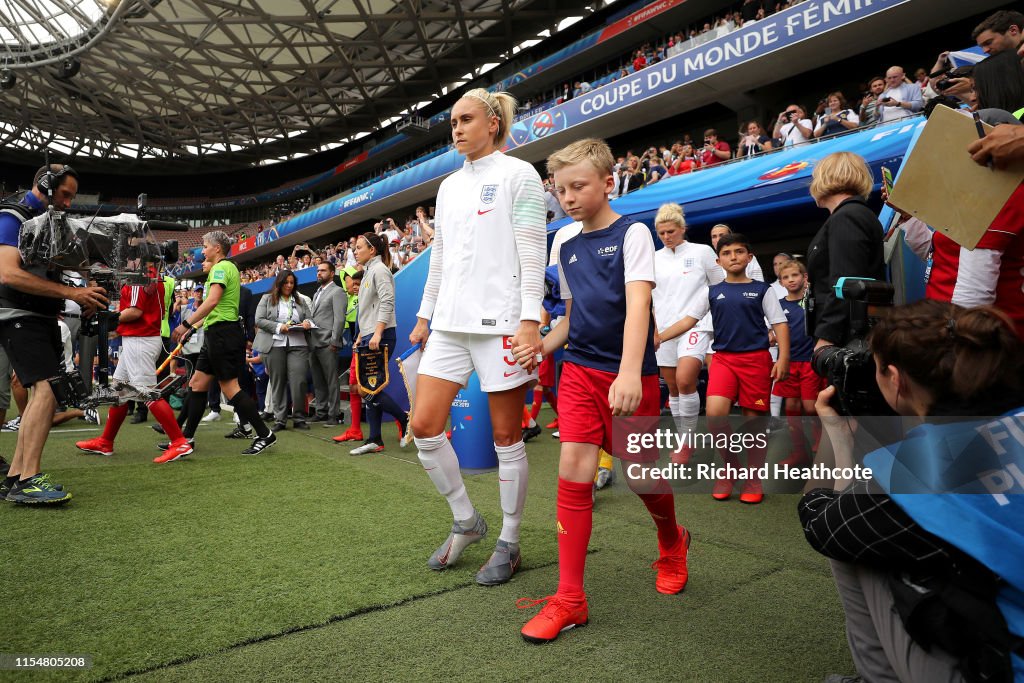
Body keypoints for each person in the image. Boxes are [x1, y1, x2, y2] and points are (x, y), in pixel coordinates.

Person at [512, 138, 690, 644]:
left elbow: (639, 308)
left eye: (578, 186)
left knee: (640, 476)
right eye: (560, 189)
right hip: (579, 372)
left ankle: (672, 542)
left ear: (607, 183)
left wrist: (631, 372)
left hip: (630, 373)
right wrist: (544, 347)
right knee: (573, 470)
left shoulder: (634, 232)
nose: (567, 197)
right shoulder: (563, 241)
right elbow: (573, 314)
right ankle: (570, 599)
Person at [800, 300, 1024, 683]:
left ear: (895, 378)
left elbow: (822, 521)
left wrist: (837, 434)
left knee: (856, 547)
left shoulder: (908, 476)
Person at [408, 87, 546, 586]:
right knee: (424, 426)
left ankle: (509, 540)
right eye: (452, 122)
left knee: (507, 436)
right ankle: (467, 520)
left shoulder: (519, 174)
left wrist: (529, 318)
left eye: (466, 119)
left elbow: (533, 252)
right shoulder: (448, 186)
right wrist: (424, 316)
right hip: (447, 324)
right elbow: (440, 257)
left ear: (493, 122)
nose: (457, 128)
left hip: (503, 325)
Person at [0, 164, 107, 504]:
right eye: (64, 195)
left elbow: (68, 260)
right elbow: (7, 274)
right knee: (44, 389)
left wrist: (87, 284)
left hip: (37, 314)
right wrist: (73, 294)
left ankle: (17, 476)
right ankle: (29, 479)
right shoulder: (12, 217)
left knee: (40, 393)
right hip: (18, 313)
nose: (68, 204)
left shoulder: (50, 222)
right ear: (44, 186)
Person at [660, 233, 789, 503]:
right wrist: (659, 337)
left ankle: (753, 478)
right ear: (718, 261)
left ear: (749, 257)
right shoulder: (712, 292)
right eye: (728, 253)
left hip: (756, 360)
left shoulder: (762, 290)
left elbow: (779, 324)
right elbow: (688, 320)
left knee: (755, 422)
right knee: (717, 416)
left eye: (739, 251)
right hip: (723, 360)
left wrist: (783, 359)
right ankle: (730, 466)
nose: (734, 257)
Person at [170, 231, 275, 455]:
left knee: (230, 388)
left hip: (223, 334)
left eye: (205, 246)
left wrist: (186, 324)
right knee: (197, 383)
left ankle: (264, 434)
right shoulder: (227, 268)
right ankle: (186, 438)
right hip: (218, 333)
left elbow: (213, 301)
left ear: (217, 248)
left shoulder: (220, 268)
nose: (203, 250)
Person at [75, 268, 193, 462]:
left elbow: (135, 312)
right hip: (139, 339)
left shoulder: (140, 276)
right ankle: (106, 441)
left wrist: (106, 319)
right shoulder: (146, 274)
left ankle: (179, 442)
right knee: (120, 391)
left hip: (141, 339)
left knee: (146, 393)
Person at [650, 203, 722, 459]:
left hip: (699, 326)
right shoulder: (653, 258)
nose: (667, 237)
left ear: (683, 228)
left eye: (671, 231)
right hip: (664, 332)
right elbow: (648, 297)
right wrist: (655, 330)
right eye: (661, 233)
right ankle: (684, 440)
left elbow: (721, 287)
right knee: (673, 388)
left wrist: (715, 323)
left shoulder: (702, 252)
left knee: (685, 380)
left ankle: (688, 441)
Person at [805, 152, 886, 350]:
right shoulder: (854, 214)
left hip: (845, 341)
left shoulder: (847, 217)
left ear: (827, 178)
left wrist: (827, 337)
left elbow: (847, 283)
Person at [348, 232, 409, 454]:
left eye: (359, 247)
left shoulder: (380, 270)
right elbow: (367, 309)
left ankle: (404, 419)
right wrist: (360, 336)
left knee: (368, 388)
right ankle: (375, 439)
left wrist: (376, 333)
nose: (355, 251)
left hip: (379, 336)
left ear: (372, 250)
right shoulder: (368, 271)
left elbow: (387, 301)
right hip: (368, 335)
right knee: (367, 387)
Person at [769, 260, 818, 468]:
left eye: (794, 276)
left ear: (805, 277)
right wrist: (771, 335)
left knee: (811, 406)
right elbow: (771, 331)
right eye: (785, 277)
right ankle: (799, 451)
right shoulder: (778, 305)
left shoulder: (814, 302)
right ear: (780, 282)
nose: (790, 280)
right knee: (791, 406)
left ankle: (819, 444)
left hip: (810, 362)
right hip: (789, 363)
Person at [253, 269, 311, 432]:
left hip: (298, 343)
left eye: (292, 283)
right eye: (286, 282)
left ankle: (299, 417)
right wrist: (279, 327)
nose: (289, 285)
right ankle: (280, 419)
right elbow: (259, 320)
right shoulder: (267, 298)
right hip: (274, 344)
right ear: (279, 283)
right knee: (277, 382)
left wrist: (306, 322)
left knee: (299, 380)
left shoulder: (300, 300)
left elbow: (309, 317)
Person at [308, 261, 347, 426]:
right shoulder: (317, 293)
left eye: (323, 270)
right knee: (318, 381)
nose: (319, 273)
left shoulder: (337, 292)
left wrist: (335, 341)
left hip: (328, 343)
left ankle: (334, 414)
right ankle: (321, 411)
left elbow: (339, 319)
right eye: (318, 270)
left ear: (332, 273)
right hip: (313, 342)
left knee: (331, 381)